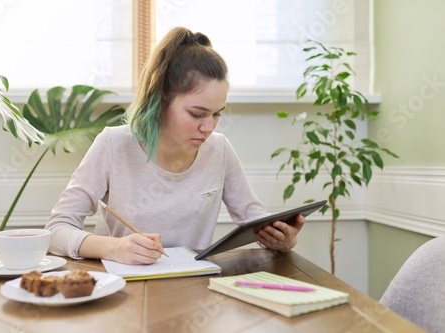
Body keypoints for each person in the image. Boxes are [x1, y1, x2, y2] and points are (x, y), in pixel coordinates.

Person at [45, 27, 306, 265]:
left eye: (217, 114)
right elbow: (56, 230)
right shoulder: (114, 145)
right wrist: (114, 248)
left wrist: (282, 239)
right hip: (126, 291)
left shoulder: (219, 149)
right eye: (196, 114)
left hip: (194, 288)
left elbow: (254, 221)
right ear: (160, 100)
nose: (209, 127)